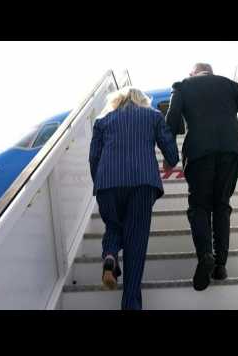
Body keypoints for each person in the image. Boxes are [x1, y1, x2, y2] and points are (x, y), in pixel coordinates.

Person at [165, 63, 238, 291]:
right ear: (210, 71)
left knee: (199, 206)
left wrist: (170, 154)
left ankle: (205, 255)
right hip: (231, 152)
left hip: (200, 154)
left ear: (192, 73)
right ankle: (220, 265)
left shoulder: (182, 86)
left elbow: (171, 120)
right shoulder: (229, 85)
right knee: (221, 205)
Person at [89, 86, 179, 310]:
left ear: (117, 101)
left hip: (107, 183)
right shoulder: (153, 116)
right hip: (142, 183)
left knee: (113, 226)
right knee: (135, 243)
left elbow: (94, 158)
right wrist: (170, 160)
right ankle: (130, 304)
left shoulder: (103, 121)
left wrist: (100, 183)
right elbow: (171, 153)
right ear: (142, 101)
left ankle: (110, 256)